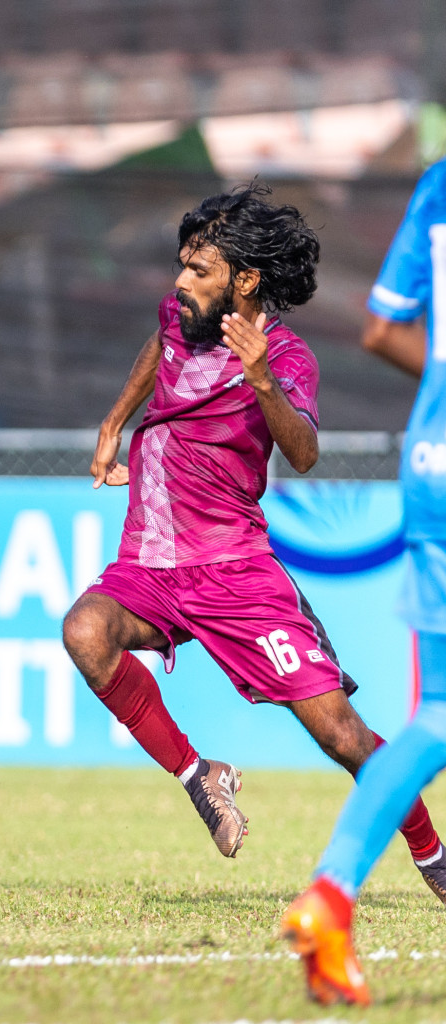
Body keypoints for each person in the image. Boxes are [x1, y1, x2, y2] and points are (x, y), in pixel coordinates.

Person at [60, 185, 446, 897]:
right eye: (181, 264)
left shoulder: (290, 359)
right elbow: (157, 345)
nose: (179, 282)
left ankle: (431, 853)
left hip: (235, 572)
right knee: (86, 630)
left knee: (341, 735)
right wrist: (117, 419)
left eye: (197, 270)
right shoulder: (178, 317)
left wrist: (260, 374)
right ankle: (199, 775)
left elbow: (302, 453)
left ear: (245, 280)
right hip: (150, 563)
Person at [280, 160, 446, 1007]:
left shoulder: (437, 184)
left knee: (439, 714)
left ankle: (331, 894)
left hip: (431, 467)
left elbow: (383, 329)